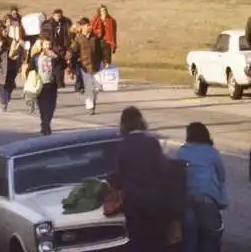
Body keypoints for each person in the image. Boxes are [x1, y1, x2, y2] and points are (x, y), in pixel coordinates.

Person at [116, 106, 173, 252]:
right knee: (156, 242)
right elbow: (164, 170)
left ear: (124, 124)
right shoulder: (152, 143)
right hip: (155, 201)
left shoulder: (122, 146)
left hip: (134, 203)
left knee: (138, 242)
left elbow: (120, 174)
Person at [176, 122, 227, 252]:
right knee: (210, 239)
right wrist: (223, 200)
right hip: (207, 197)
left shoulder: (182, 151)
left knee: (189, 238)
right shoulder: (212, 152)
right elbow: (222, 176)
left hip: (187, 197)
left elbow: (177, 175)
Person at [70, 17, 102, 114]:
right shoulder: (78, 38)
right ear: (82, 27)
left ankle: (93, 100)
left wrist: (104, 60)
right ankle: (90, 106)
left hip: (96, 65)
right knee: (88, 87)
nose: (88, 27)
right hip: (84, 65)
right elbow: (74, 51)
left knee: (97, 86)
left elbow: (100, 50)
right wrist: (72, 62)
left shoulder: (95, 37)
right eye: (86, 25)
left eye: (89, 25)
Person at [29, 36, 58, 135]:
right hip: (40, 85)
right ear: (42, 46)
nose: (48, 47)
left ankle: (46, 123)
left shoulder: (54, 56)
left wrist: (56, 57)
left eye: (49, 45)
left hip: (52, 84)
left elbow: (61, 67)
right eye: (46, 44)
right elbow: (31, 69)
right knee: (42, 107)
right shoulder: (36, 56)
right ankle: (45, 126)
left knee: (51, 107)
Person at [0, 26, 17, 111]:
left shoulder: (11, 40)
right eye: (4, 31)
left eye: (6, 30)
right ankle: (3, 102)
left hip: (12, 64)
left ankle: (7, 96)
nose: (6, 32)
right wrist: (0, 47)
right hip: (1, 66)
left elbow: (16, 49)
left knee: (10, 85)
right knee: (2, 85)